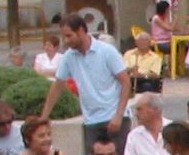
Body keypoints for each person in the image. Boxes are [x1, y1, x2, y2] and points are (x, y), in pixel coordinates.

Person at [40, 13, 128, 142]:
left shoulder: (107, 51)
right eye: (64, 36)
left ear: (81, 31)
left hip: (114, 118)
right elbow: (57, 85)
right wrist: (44, 116)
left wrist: (119, 116)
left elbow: (125, 83)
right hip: (91, 121)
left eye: (69, 36)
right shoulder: (68, 57)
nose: (66, 41)